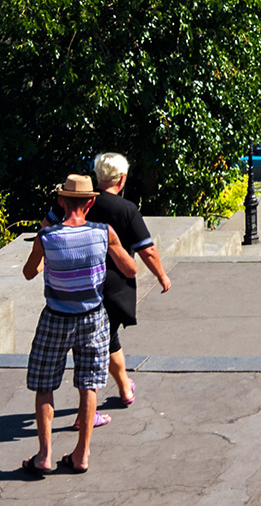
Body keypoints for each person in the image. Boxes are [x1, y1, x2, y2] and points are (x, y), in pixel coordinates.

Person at [20, 175, 138, 476]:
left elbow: (29, 273)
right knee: (89, 386)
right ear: (90, 202)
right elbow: (130, 268)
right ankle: (81, 455)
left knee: (45, 386)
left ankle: (44, 455)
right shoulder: (103, 233)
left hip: (56, 317)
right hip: (93, 317)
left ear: (61, 201)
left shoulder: (47, 237)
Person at [85, 153, 171, 413]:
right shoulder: (126, 209)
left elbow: (46, 228)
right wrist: (161, 276)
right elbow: (147, 251)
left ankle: (124, 388)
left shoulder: (78, 202)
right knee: (100, 343)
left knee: (107, 338)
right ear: (122, 180)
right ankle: (86, 413)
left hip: (79, 282)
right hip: (112, 286)